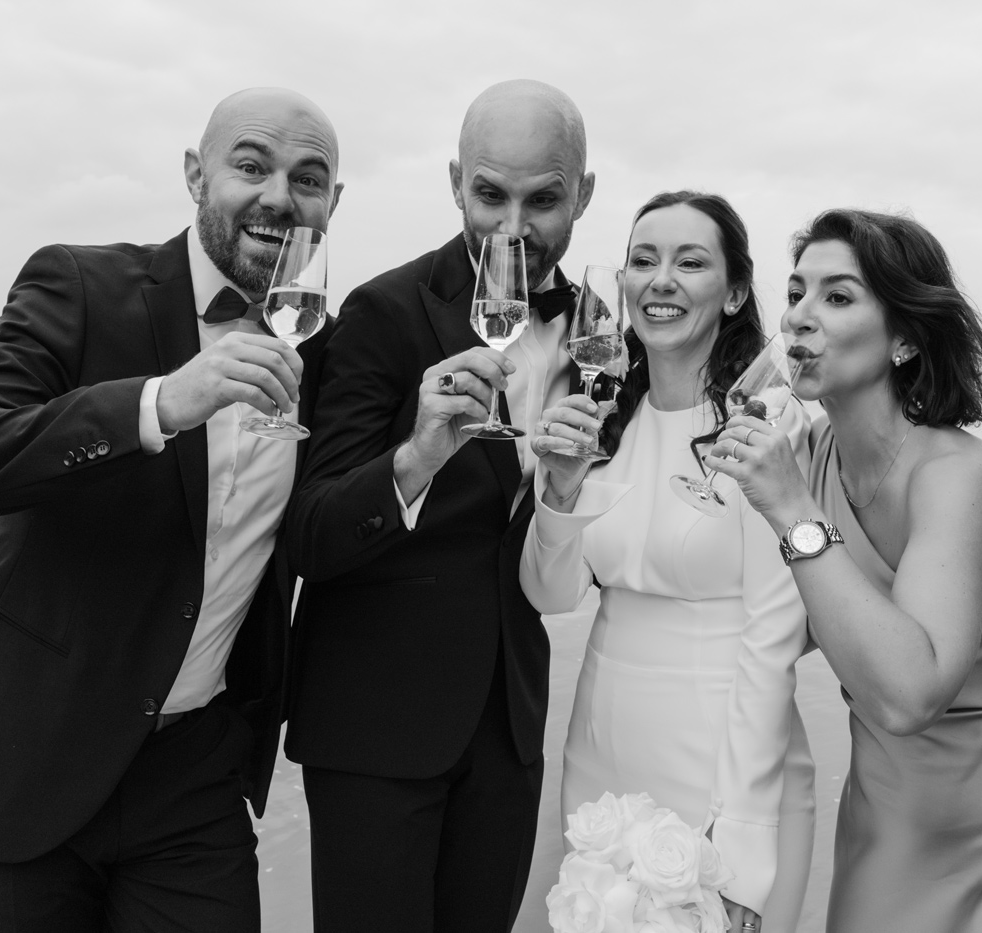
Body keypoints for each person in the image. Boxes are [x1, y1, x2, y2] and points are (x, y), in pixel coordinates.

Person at [0, 87, 344, 931]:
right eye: (251, 166)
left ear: (331, 203)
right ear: (196, 175)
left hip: (195, 774)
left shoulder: (324, 348)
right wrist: (154, 404)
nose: (279, 196)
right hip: (22, 753)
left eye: (307, 179)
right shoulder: (81, 285)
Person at [710, 209, 982, 932]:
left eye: (837, 296)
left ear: (903, 339)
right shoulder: (810, 455)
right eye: (796, 292)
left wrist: (792, 510)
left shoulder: (956, 476)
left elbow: (909, 696)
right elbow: (779, 627)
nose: (799, 315)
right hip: (884, 826)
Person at [280, 79, 593, 932]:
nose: (513, 228)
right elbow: (310, 534)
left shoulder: (600, 333)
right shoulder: (383, 312)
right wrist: (416, 457)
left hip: (509, 727)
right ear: (456, 183)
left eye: (543, 199)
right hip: (375, 730)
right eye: (490, 195)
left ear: (583, 194)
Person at [520, 191, 816, 933]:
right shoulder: (601, 412)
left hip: (726, 755)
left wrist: (740, 838)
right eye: (644, 260)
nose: (661, 280)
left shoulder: (769, 420)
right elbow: (550, 595)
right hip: (604, 751)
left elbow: (774, 636)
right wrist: (559, 489)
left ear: (735, 292)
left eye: (690, 263)